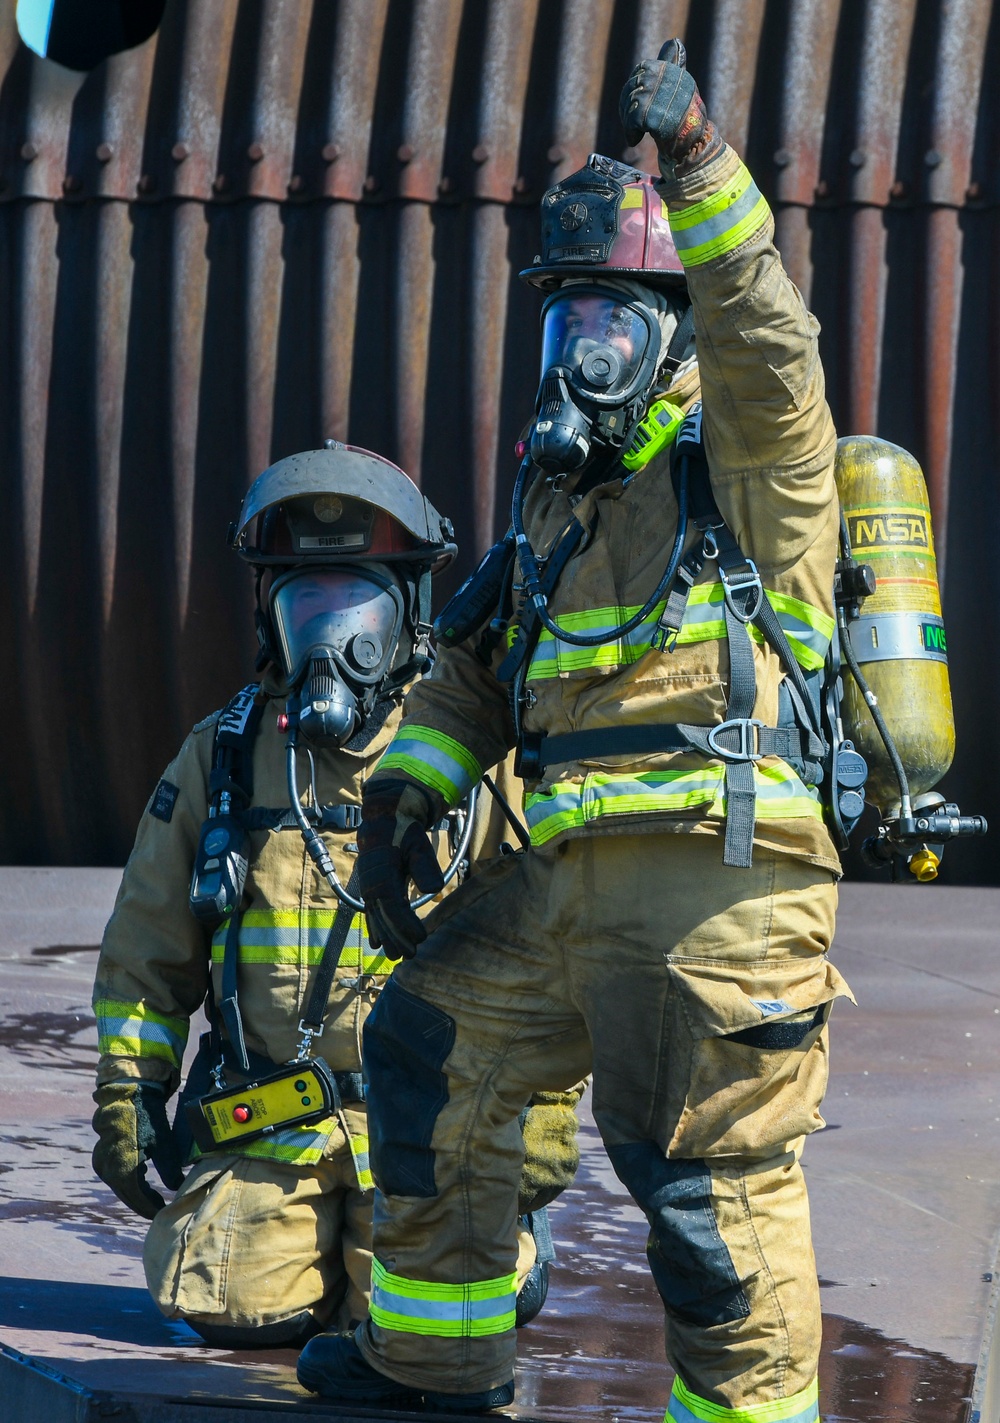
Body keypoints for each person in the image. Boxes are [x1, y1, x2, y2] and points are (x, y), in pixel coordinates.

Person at [297, 42, 851, 1423]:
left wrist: (707, 158)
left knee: (705, 1196)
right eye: (565, 330)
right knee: (434, 1046)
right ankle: (433, 1356)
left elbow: (770, 340)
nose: (578, 363)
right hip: (561, 882)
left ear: (673, 339)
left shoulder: (754, 468)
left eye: (608, 331)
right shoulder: (557, 515)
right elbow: (475, 673)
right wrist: (404, 800)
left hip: (713, 884)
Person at [90, 442, 583, 1348]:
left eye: (351, 602)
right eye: (303, 602)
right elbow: (146, 944)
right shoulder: (225, 757)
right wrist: (131, 1092)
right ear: (268, 612)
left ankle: (499, 1228)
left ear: (407, 612)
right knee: (232, 1310)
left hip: (437, 1123)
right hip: (275, 1117)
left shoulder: (472, 759)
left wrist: (546, 1103)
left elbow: (560, 933)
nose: (327, 634)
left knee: (436, 1328)